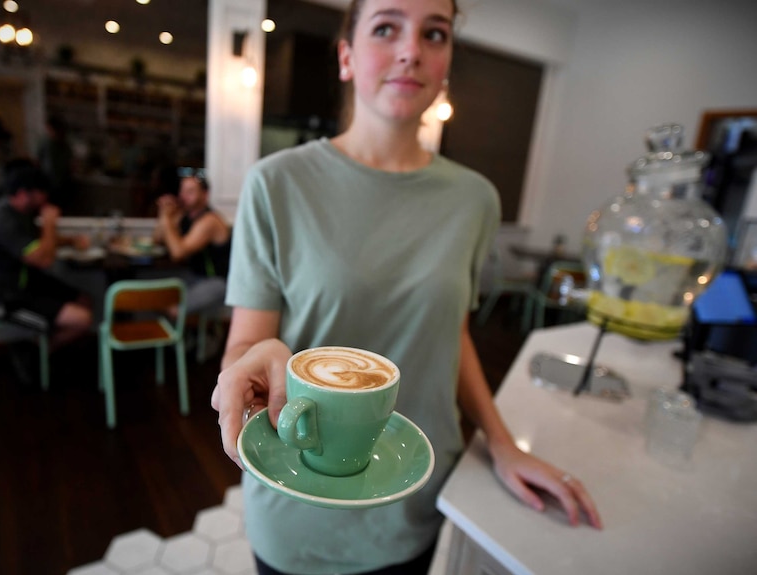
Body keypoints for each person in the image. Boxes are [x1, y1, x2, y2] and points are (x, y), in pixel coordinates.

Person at [210, 1, 603, 574]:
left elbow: (453, 337)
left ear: (446, 62)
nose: (411, 49)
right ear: (346, 56)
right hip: (301, 493)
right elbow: (246, 344)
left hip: (413, 495)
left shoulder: (475, 200)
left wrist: (499, 440)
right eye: (386, 27)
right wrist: (252, 361)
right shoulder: (277, 184)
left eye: (435, 33)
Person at [0, 164, 93, 354]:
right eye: (42, 193)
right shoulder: (1, 221)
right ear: (24, 194)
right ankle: (35, 354)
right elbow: (43, 260)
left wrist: (70, 240)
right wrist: (50, 223)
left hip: (24, 283)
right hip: (3, 298)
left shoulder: (17, 213)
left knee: (83, 299)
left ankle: (47, 351)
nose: (46, 199)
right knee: (83, 319)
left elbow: (38, 243)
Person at [153, 169, 232, 315]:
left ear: (205, 194)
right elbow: (157, 240)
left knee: (173, 310)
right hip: (195, 276)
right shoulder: (185, 216)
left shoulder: (210, 221)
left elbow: (178, 253)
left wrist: (166, 219)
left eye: (190, 191)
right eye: (182, 191)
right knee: (158, 297)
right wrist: (164, 215)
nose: (184, 196)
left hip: (217, 282)